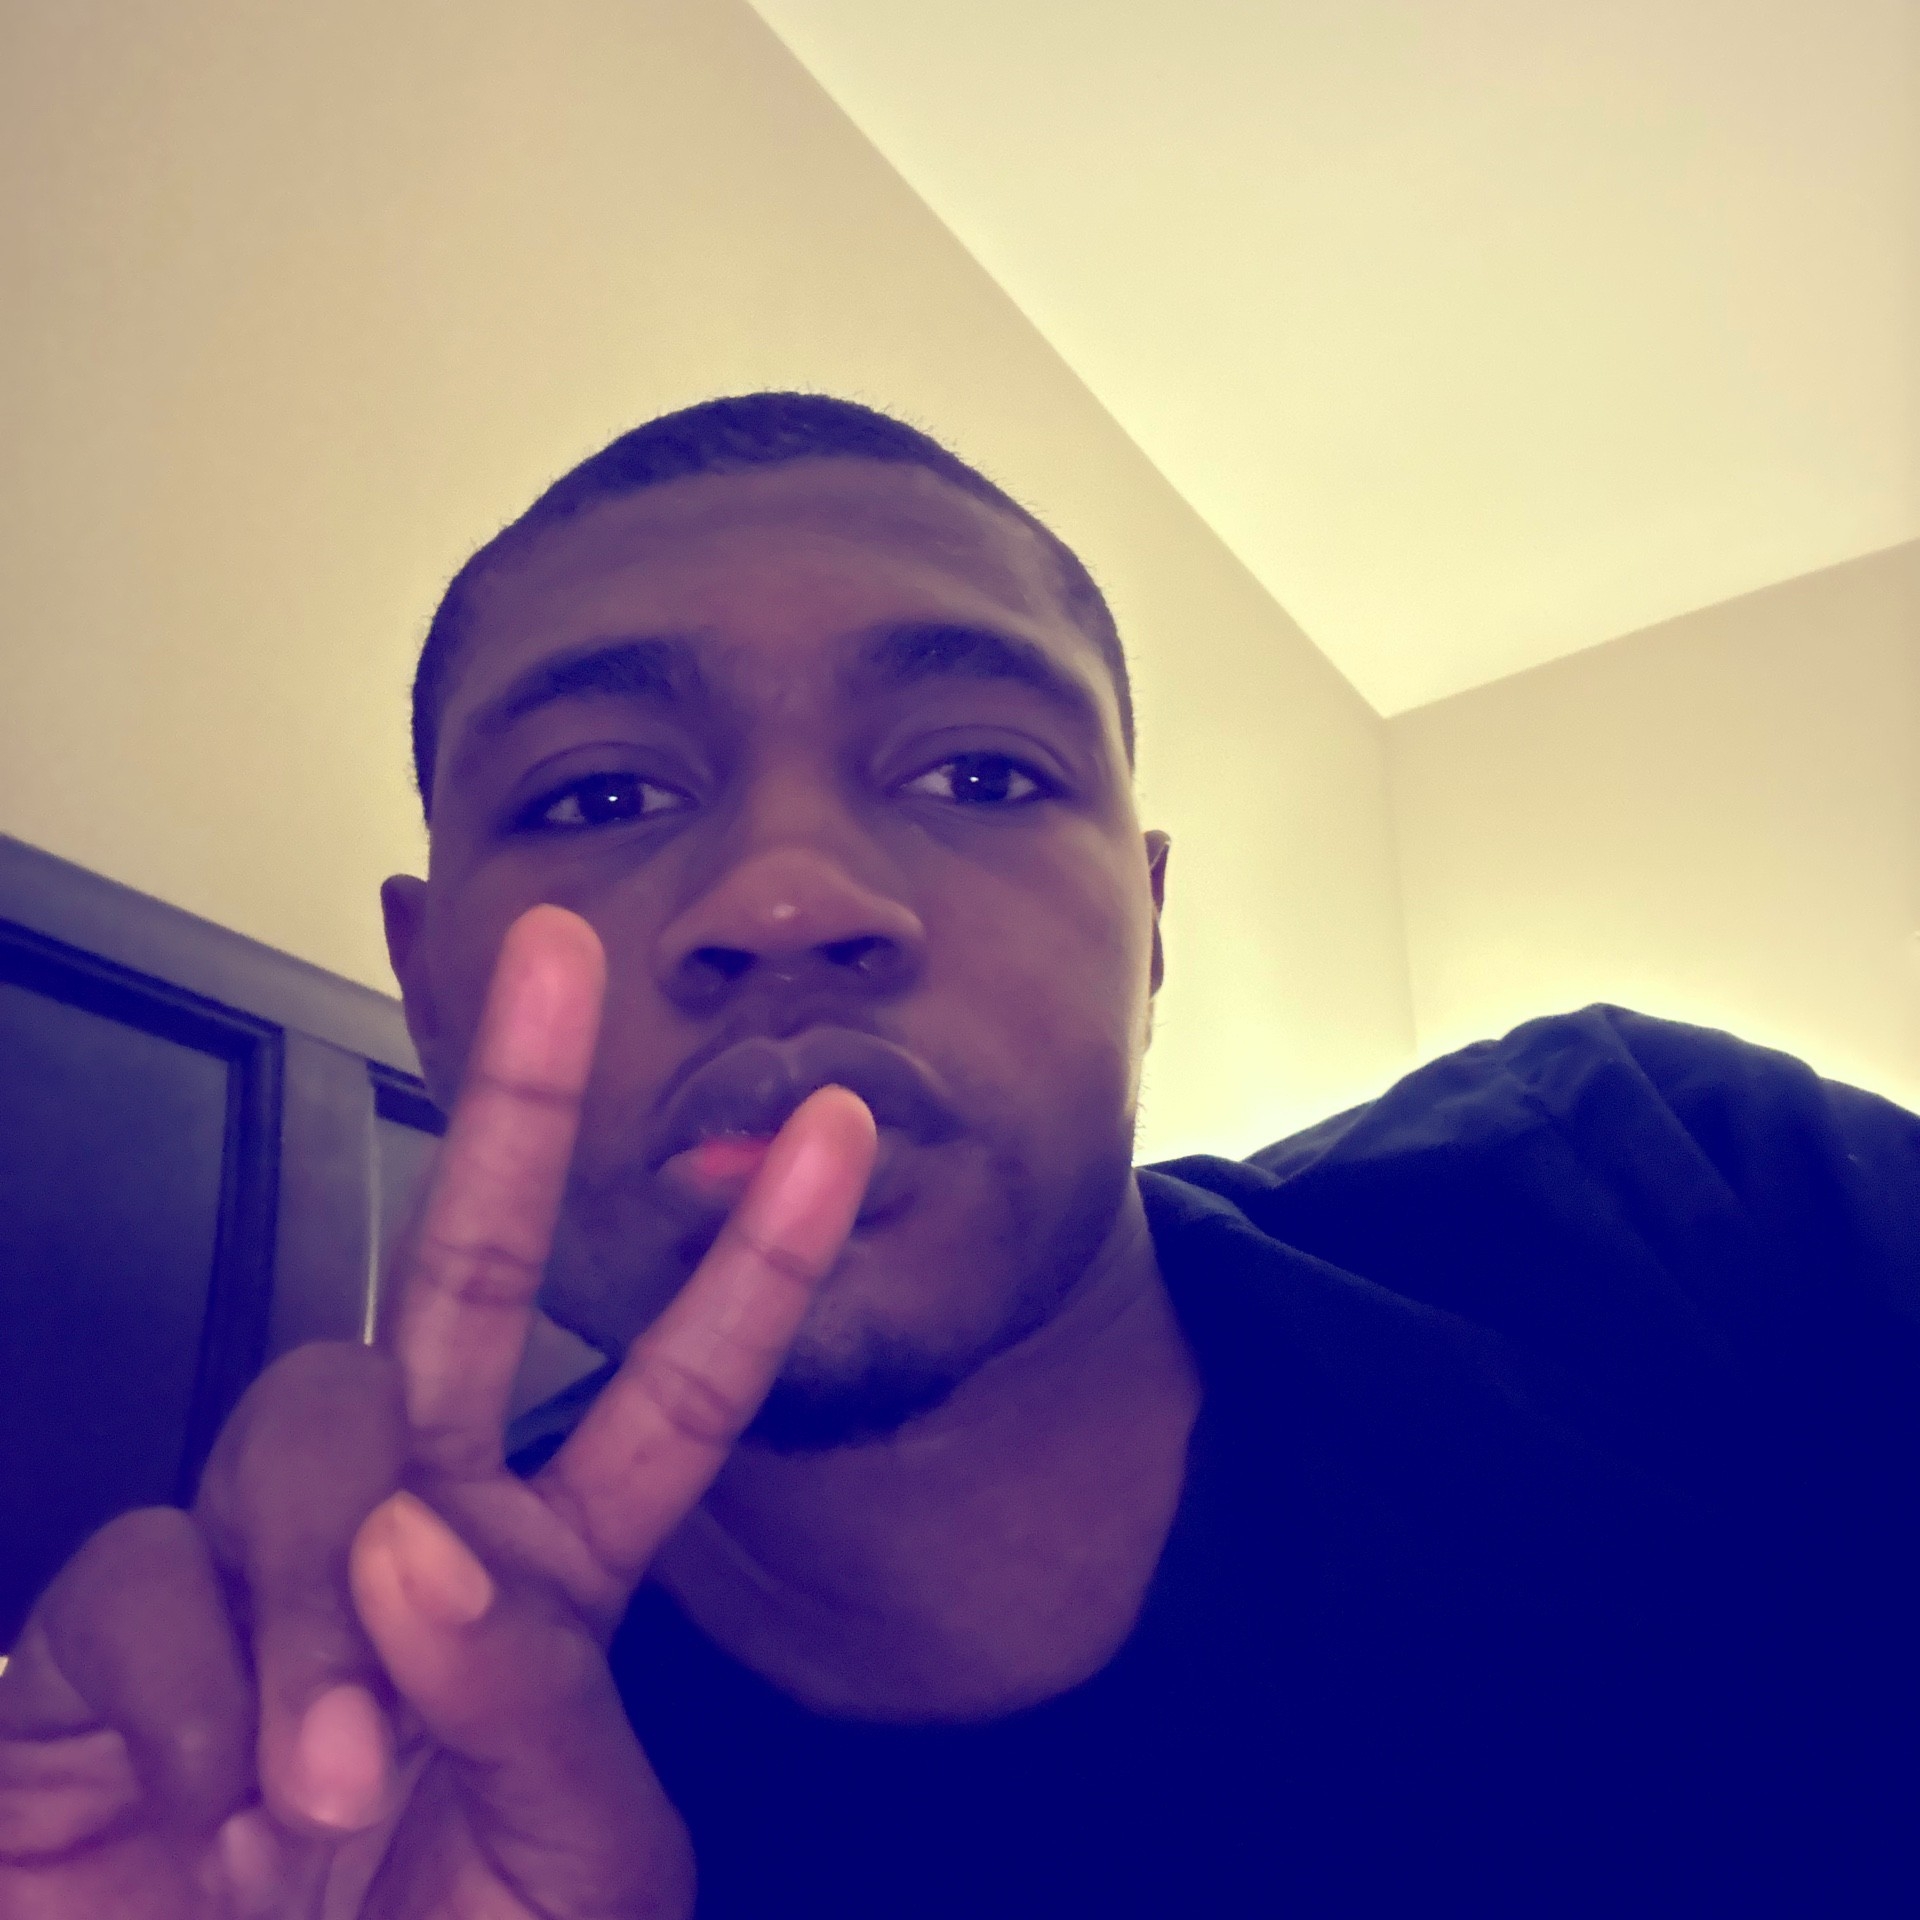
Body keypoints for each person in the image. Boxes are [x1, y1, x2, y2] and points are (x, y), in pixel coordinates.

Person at [0, 393, 1915, 1919]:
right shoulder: (388, 1752)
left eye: (981, 772)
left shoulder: (1679, 1198)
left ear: (1147, 926)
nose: (785, 895)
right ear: (431, 991)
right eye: (600, 793)